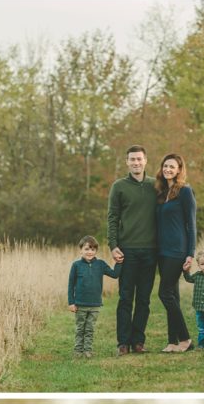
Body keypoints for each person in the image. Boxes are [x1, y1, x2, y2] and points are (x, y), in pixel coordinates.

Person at [107, 146, 158, 355]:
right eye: (132, 160)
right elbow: (112, 218)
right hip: (126, 250)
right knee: (125, 297)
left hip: (150, 250)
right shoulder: (119, 186)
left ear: (145, 160)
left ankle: (138, 341)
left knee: (144, 299)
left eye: (139, 159)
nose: (136, 163)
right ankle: (123, 343)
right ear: (127, 162)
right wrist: (113, 245)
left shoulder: (156, 185)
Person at [155, 153, 197, 353]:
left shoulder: (185, 191)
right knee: (173, 294)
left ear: (179, 169)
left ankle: (186, 338)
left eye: (172, 166)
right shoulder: (162, 193)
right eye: (165, 166)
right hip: (161, 251)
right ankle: (173, 341)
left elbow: (191, 224)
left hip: (177, 250)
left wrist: (190, 253)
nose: (168, 169)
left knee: (164, 293)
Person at [65, 235, 119, 360]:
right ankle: (78, 351)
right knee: (80, 328)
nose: (90, 252)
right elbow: (70, 285)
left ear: (96, 251)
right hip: (80, 304)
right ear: (81, 250)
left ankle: (88, 350)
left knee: (89, 329)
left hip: (95, 304)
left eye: (93, 249)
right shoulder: (76, 265)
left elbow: (115, 274)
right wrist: (71, 302)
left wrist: (119, 262)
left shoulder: (100, 264)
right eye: (87, 249)